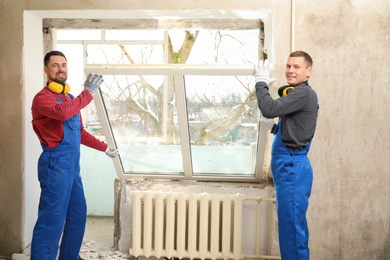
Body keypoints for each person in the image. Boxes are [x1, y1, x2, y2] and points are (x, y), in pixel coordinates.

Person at [30, 50, 119, 260]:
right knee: (51, 219)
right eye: (55, 65)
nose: (61, 69)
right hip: (56, 163)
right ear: (46, 70)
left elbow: (78, 131)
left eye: (64, 64)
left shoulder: (69, 98)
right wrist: (87, 93)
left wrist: (104, 147)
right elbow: (62, 113)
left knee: (77, 214)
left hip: (72, 166)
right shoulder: (42, 99)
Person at [255, 51, 318, 260]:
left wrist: (261, 83)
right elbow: (296, 131)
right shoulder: (296, 94)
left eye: (297, 67)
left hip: (292, 168)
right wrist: (274, 128)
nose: (290, 70)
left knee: (291, 231)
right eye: (288, 66)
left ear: (308, 72)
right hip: (291, 167)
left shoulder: (303, 94)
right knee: (292, 227)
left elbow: (268, 107)